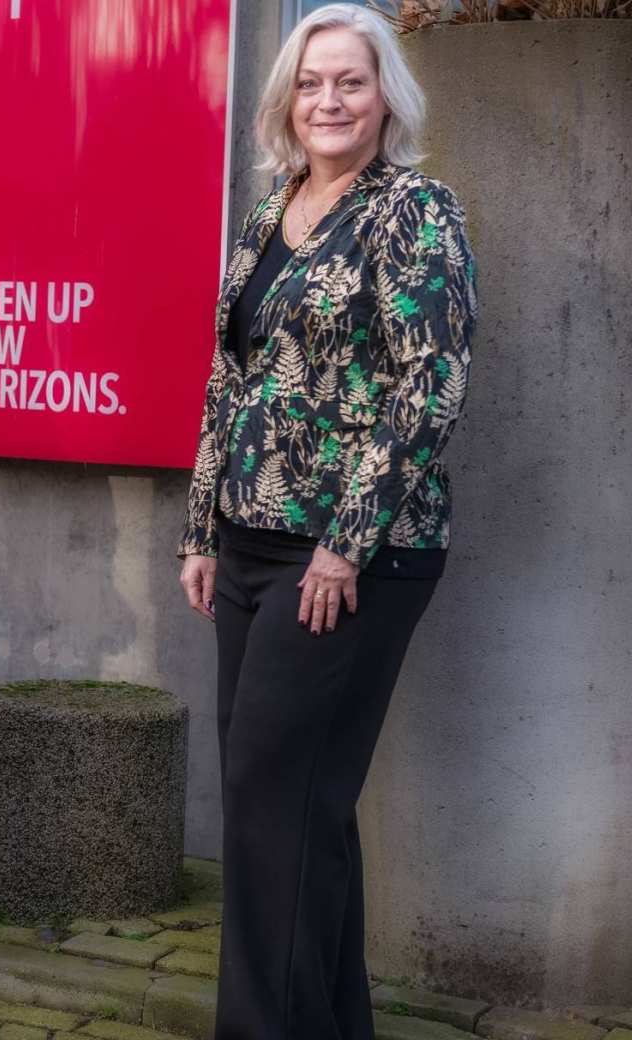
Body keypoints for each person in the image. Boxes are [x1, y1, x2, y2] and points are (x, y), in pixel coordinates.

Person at [178, 5, 477, 1037]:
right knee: (286, 803)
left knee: (273, 799)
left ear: (384, 94)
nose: (329, 100)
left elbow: (426, 389)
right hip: (250, 544)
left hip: (357, 555)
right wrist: (197, 529)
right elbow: (230, 376)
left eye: (349, 81)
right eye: (310, 83)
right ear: (285, 103)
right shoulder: (269, 214)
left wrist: (344, 542)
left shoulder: (414, 213)